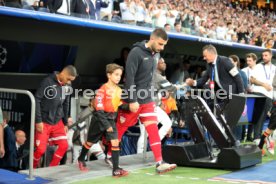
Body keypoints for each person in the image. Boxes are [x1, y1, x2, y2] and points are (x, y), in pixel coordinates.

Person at [115, 28, 177, 174]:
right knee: (121, 129)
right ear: (153, 39)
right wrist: (132, 100)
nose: (162, 48)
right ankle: (111, 157)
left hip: (148, 100)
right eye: (161, 44)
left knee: (153, 129)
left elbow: (150, 78)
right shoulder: (136, 53)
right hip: (133, 99)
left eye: (164, 45)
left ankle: (159, 162)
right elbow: (129, 78)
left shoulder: (157, 54)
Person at [77, 63, 128, 178]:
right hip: (100, 120)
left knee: (115, 142)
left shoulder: (119, 90)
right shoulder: (102, 90)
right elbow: (99, 111)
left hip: (111, 119)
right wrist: (106, 125)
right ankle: (81, 159)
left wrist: (130, 107)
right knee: (90, 142)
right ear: (108, 75)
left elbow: (119, 105)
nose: (118, 77)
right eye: (116, 74)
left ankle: (116, 169)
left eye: (120, 75)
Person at [33, 65, 78, 168]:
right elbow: (37, 99)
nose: (69, 82)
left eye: (71, 80)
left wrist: (65, 122)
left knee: (64, 145)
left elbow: (66, 103)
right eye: (68, 79)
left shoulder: (68, 86)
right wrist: (38, 120)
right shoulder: (47, 81)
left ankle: (51, 169)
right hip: (44, 121)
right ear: (63, 73)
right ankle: (33, 169)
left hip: (57, 121)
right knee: (40, 150)